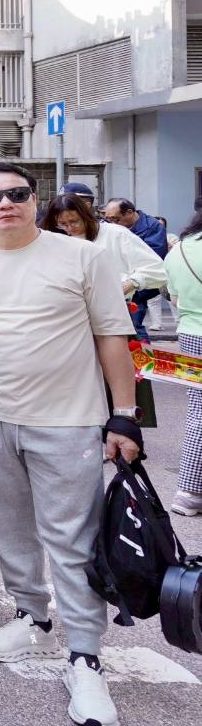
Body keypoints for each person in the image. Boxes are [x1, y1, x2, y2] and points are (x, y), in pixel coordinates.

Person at [0, 163, 142, 726]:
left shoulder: (84, 257)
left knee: (71, 538)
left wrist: (125, 415)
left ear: (35, 199)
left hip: (69, 421)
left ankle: (85, 656)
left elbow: (112, 337)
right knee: (7, 526)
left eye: (16, 194)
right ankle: (32, 618)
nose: (5, 204)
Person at [42, 194, 165, 338]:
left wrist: (130, 284)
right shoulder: (58, 240)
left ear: (86, 215)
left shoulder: (115, 233)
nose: (69, 228)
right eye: (62, 224)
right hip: (70, 318)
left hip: (112, 314)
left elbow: (157, 269)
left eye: (74, 221)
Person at [163, 204, 202, 517]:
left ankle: (190, 490)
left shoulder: (179, 251)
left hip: (189, 334)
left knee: (197, 410)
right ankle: (190, 490)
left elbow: (174, 300)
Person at [104, 198, 170, 335]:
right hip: (116, 285)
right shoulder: (108, 227)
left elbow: (153, 261)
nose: (111, 223)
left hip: (139, 287)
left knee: (134, 327)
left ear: (129, 212)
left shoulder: (153, 226)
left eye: (115, 219)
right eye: (107, 219)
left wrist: (135, 287)